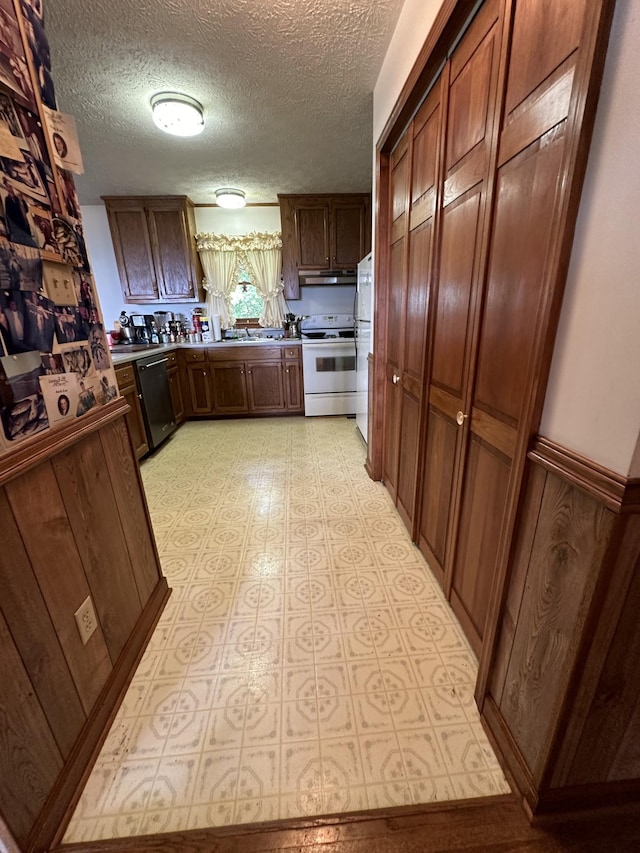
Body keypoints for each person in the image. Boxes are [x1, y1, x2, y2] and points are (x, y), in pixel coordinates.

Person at [3, 179, 37, 247]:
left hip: (24, 225)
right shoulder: (7, 199)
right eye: (8, 186)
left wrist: (22, 201)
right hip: (17, 227)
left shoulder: (18, 198)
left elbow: (26, 210)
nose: (10, 188)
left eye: (10, 186)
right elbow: (8, 215)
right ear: (6, 187)